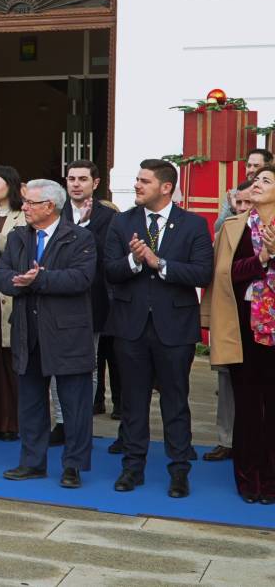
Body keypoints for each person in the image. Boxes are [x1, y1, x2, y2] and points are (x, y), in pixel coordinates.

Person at [105, 159, 213, 498]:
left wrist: (159, 263)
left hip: (175, 328)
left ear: (166, 187)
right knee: (133, 401)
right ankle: (132, 468)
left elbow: (201, 273)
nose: (136, 185)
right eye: (137, 179)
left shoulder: (193, 225)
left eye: (144, 181)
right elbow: (109, 270)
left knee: (176, 401)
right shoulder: (122, 223)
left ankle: (179, 470)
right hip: (130, 327)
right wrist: (134, 260)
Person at [0, 179, 97, 488]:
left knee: (74, 404)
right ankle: (32, 462)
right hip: (28, 331)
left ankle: (73, 465)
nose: (23, 207)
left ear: (49, 207)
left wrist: (39, 280)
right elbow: (1, 274)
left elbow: (81, 278)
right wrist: (18, 282)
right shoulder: (18, 237)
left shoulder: (80, 237)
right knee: (31, 403)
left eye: (30, 204)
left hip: (67, 334)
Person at [201, 166, 275, 503]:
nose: (257, 185)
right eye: (256, 181)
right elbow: (228, 274)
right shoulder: (236, 227)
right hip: (244, 327)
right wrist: (263, 256)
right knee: (247, 406)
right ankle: (248, 479)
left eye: (266, 181)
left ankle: (271, 481)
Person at [54, 159, 119, 443]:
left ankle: (81, 421)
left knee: (87, 364)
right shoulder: (53, 212)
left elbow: (104, 257)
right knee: (55, 365)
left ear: (95, 183)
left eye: (82, 179)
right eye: (71, 179)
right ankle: (60, 422)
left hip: (92, 299)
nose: (76, 184)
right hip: (55, 300)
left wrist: (83, 229)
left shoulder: (109, 217)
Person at [205, 179, 252, 463]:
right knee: (228, 382)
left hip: (263, 319)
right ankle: (226, 439)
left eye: (249, 203)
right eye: (239, 203)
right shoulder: (228, 231)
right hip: (232, 316)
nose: (244, 209)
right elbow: (215, 275)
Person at [0, 166, 27, 441]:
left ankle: (17, 421)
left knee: (14, 362)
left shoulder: (24, 216)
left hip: (12, 297)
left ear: (10, 185)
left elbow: (16, 246)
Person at [215, 148, 273, 233]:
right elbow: (218, 228)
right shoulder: (234, 193)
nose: (251, 170)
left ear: (268, 168)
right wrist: (233, 209)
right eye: (249, 166)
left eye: (256, 166)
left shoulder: (271, 193)